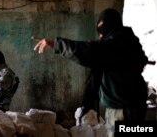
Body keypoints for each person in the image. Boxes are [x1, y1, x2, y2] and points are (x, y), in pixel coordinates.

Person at [32, 8, 149, 137]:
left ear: (110, 27)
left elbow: (89, 51)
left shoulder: (117, 44)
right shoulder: (126, 41)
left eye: (101, 31)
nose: (100, 36)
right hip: (128, 106)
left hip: (123, 109)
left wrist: (56, 44)